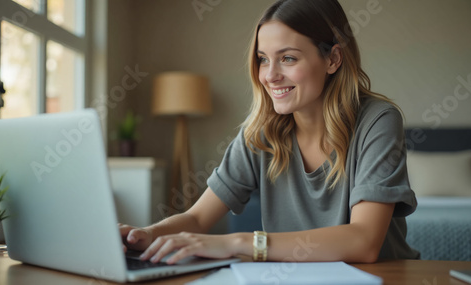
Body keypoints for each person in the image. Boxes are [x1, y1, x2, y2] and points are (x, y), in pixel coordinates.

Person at [120, 0, 420, 264]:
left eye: (288, 58)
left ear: (333, 59)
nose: (270, 75)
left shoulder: (378, 121)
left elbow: (363, 241)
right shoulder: (262, 132)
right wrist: (145, 234)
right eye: (263, 58)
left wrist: (240, 242)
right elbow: (198, 217)